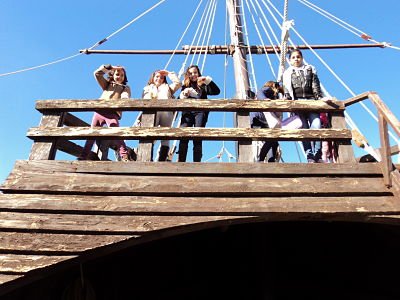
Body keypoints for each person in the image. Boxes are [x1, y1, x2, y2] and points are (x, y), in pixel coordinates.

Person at [78, 64, 131, 161]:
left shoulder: (124, 87)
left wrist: (124, 98)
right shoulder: (107, 85)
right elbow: (97, 74)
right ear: (113, 75)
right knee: (92, 134)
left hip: (112, 113)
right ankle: (84, 156)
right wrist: (111, 68)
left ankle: (124, 155)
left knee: (116, 132)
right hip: (99, 112)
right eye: (117, 74)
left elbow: (126, 95)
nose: (119, 77)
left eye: (122, 75)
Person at [282, 49, 324, 163]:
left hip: (311, 101)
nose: (296, 59)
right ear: (290, 60)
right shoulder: (287, 73)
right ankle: (310, 155)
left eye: (298, 57)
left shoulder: (310, 69)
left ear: (301, 58)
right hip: (297, 102)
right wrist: (288, 99)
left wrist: (318, 97)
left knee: (317, 125)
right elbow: (286, 89)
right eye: (293, 57)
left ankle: (318, 154)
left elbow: (315, 84)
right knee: (304, 129)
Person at [178, 65, 220, 162]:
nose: (193, 75)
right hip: (187, 112)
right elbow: (178, 100)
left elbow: (217, 91)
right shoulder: (185, 85)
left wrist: (207, 81)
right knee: (183, 135)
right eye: (191, 73)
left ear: (198, 73)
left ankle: (197, 162)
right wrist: (184, 94)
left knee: (197, 136)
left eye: (195, 72)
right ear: (188, 75)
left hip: (200, 112)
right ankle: (181, 161)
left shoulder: (203, 85)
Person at [142, 69, 181, 161]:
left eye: (162, 77)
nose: (159, 79)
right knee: (150, 134)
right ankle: (148, 158)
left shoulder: (168, 87)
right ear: (153, 78)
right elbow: (144, 101)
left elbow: (178, 83)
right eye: (157, 76)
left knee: (165, 136)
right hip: (152, 112)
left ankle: (162, 159)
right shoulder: (147, 88)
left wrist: (168, 73)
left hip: (166, 111)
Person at [250, 81, 282, 162]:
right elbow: (260, 92)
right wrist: (264, 99)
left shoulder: (275, 95)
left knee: (273, 141)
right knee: (272, 140)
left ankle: (267, 160)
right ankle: (263, 160)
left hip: (263, 121)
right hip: (260, 120)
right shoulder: (268, 89)